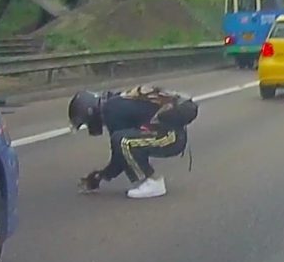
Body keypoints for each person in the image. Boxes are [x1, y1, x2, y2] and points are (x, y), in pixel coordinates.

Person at [68, 85, 198, 198]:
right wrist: (102, 176)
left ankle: (153, 182)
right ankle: (149, 181)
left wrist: (101, 177)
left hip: (171, 137)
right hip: (173, 135)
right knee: (124, 140)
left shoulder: (111, 110)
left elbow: (119, 153)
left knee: (122, 141)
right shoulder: (117, 101)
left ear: (90, 112)